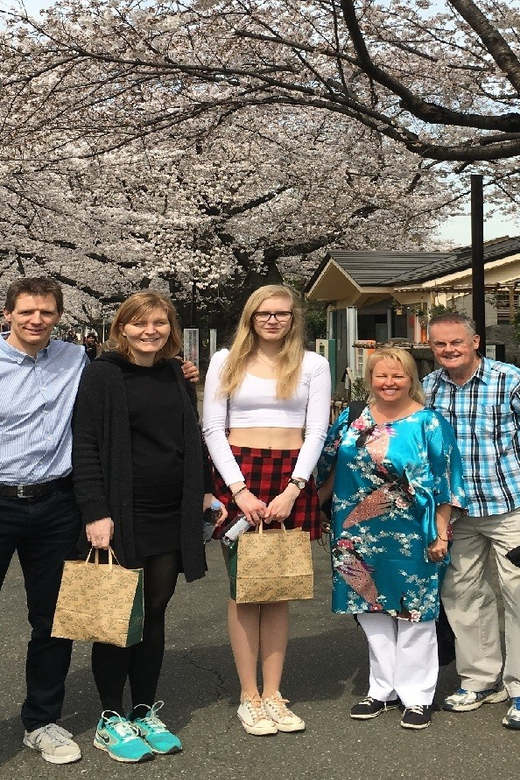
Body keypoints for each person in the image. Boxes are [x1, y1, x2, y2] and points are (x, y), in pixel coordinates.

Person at [72, 290, 222, 763]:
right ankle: (109, 718)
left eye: (158, 323)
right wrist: (96, 510)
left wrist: (204, 487)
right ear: (122, 328)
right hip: (122, 510)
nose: (149, 331)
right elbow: (87, 444)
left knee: (154, 611)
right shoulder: (102, 374)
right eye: (139, 323)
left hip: (170, 511)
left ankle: (142, 711)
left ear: (170, 329)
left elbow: (190, 433)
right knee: (118, 613)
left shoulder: (177, 373)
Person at [202, 284, 331, 736]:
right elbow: (213, 428)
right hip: (240, 475)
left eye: (282, 313)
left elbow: (316, 430)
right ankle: (248, 696)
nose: (273, 320)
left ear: (295, 319)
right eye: (264, 313)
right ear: (250, 316)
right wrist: (238, 491)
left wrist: (296, 488)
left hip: (290, 477)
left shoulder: (313, 364)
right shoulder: (224, 360)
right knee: (245, 588)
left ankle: (274, 693)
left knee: (279, 589)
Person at [317, 348, 465, 730]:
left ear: (411, 378)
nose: (389, 383)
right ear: (370, 378)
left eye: (398, 376)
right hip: (355, 533)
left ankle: (417, 696)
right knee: (371, 611)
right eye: (381, 375)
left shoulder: (428, 423)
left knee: (415, 613)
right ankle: (381, 689)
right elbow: (329, 467)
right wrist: (310, 511)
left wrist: (441, 532)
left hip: (413, 531)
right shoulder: (352, 419)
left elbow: (447, 481)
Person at [0, 277, 88, 764]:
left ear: (58, 316)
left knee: (53, 619)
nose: (37, 320)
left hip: (57, 502)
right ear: (8, 313)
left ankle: (41, 720)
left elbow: (124, 375)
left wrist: (175, 372)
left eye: (47, 313)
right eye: (27, 311)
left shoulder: (75, 359)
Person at [424, 311, 520, 730]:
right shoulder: (428, 388)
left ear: (475, 341)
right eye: (440, 344)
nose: (448, 350)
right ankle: (481, 679)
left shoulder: (509, 380)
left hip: (509, 504)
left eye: (456, 342)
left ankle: (519, 688)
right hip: (457, 512)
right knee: (463, 594)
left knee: (518, 595)